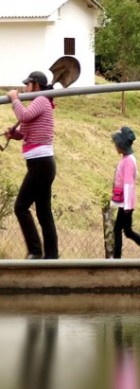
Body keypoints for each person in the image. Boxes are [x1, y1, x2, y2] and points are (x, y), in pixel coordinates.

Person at [3, 71, 58, 259]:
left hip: (41, 163)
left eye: (28, 85)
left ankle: (35, 251)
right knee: (43, 212)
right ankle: (51, 256)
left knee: (20, 207)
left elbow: (24, 116)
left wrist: (13, 99)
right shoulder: (41, 102)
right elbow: (27, 130)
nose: (25, 88)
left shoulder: (41, 100)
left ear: (35, 85)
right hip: (40, 163)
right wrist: (14, 134)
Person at [110, 127, 140, 259]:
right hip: (125, 201)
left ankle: (117, 259)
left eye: (116, 143)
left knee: (118, 230)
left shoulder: (128, 161)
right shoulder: (126, 159)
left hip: (126, 203)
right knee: (127, 231)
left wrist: (127, 206)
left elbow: (128, 183)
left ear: (121, 145)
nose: (115, 146)